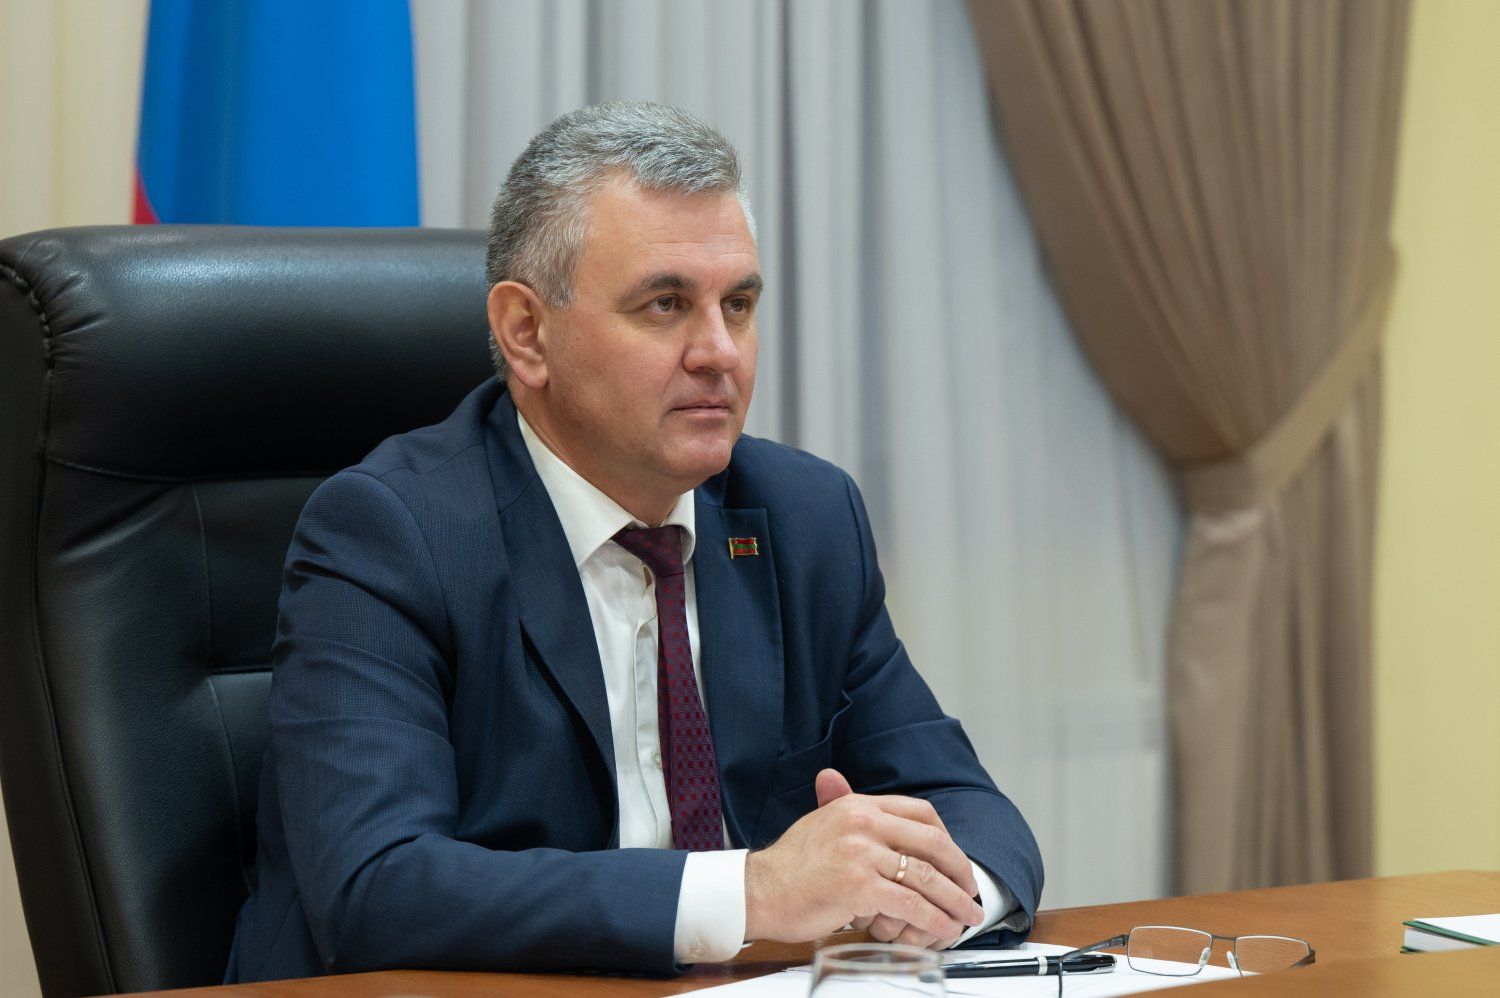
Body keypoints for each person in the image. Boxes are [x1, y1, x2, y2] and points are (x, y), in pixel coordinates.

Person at [225, 101, 1042, 983]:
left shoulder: (805, 517)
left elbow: (970, 812)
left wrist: (933, 898)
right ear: (526, 333)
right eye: (666, 304)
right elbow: (378, 890)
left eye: (739, 304)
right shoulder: (389, 533)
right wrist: (752, 893)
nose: (720, 352)